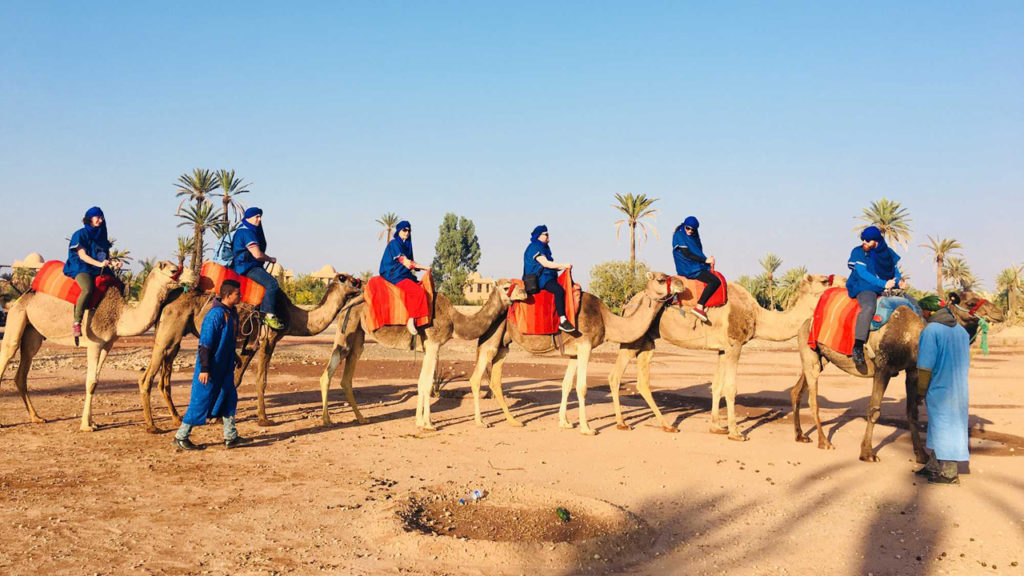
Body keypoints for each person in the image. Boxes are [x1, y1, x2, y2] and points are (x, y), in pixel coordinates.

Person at [173, 279, 252, 451]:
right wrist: (205, 369)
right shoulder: (215, 315)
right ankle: (181, 436)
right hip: (210, 367)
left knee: (229, 398)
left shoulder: (232, 314)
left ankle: (230, 436)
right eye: (238, 294)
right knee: (201, 400)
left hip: (225, 367)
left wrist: (235, 357)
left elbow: (228, 341)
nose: (241, 296)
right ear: (228, 295)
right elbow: (205, 344)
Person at [915, 296, 971, 485]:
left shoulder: (931, 331)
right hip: (959, 387)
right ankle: (932, 466)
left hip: (940, 388)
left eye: (922, 311)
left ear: (928, 312)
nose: (921, 314)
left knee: (944, 426)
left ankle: (949, 473)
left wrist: (920, 391)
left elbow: (925, 366)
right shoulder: (962, 332)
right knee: (942, 426)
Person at [846, 225, 905, 371]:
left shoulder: (888, 254)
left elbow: (895, 272)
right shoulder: (858, 252)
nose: (864, 242)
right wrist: (883, 283)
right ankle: (858, 347)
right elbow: (862, 273)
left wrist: (899, 282)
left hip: (884, 289)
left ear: (876, 241)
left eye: (867, 240)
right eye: (863, 239)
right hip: (864, 286)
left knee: (908, 306)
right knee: (869, 308)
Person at [63, 206, 123, 337]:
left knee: (118, 285)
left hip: (98, 268)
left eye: (102, 217)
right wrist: (100, 264)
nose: (100, 220)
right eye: (98, 217)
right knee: (87, 288)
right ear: (89, 218)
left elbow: (105, 257)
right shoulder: (80, 234)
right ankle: (77, 322)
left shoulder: (101, 238)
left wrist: (113, 263)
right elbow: (82, 256)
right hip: (81, 267)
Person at [232, 207, 284, 330]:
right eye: (257, 216)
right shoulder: (247, 233)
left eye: (260, 216)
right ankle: (269, 316)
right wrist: (270, 259)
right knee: (272, 284)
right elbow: (257, 255)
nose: (259, 219)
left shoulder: (244, 230)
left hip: (246, 265)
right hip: (248, 267)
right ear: (248, 217)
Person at [379, 220, 431, 335]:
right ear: (398, 231)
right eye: (404, 230)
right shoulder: (394, 244)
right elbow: (406, 262)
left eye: (409, 230)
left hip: (403, 273)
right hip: (393, 274)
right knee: (417, 292)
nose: (407, 233)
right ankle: (411, 319)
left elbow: (412, 264)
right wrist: (424, 267)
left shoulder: (406, 245)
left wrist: (419, 267)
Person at [523, 225, 574, 332]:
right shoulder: (534, 247)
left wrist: (564, 267)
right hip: (541, 279)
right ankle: (563, 320)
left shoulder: (544, 248)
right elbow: (545, 263)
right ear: (539, 236)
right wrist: (564, 265)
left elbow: (551, 265)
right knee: (559, 291)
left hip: (548, 276)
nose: (548, 236)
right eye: (546, 234)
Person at [671, 216, 719, 323]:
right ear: (684, 225)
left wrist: (708, 260)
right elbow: (687, 254)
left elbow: (698, 250)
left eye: (693, 229)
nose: (690, 231)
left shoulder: (694, 236)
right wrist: (705, 260)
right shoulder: (679, 235)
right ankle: (699, 306)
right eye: (688, 228)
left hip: (695, 264)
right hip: (688, 267)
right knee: (715, 281)